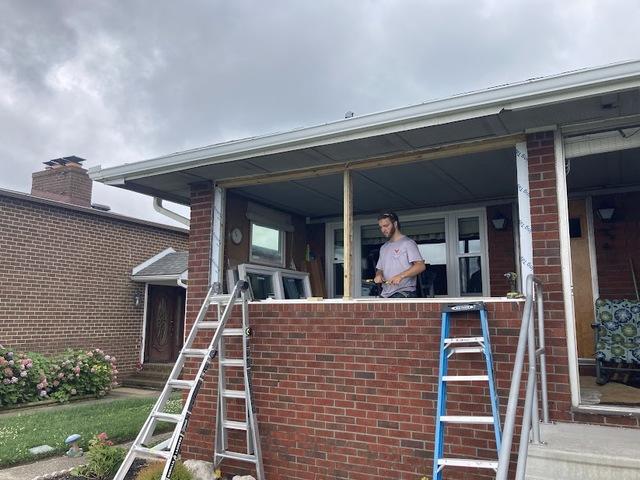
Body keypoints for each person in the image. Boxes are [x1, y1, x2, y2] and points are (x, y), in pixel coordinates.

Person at [374, 211, 426, 298]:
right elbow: (380, 269)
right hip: (385, 294)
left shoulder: (408, 243)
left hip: (404, 292)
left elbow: (420, 266)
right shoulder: (383, 247)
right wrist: (378, 275)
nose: (383, 230)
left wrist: (400, 276)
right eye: (381, 227)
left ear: (395, 224)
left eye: (386, 226)